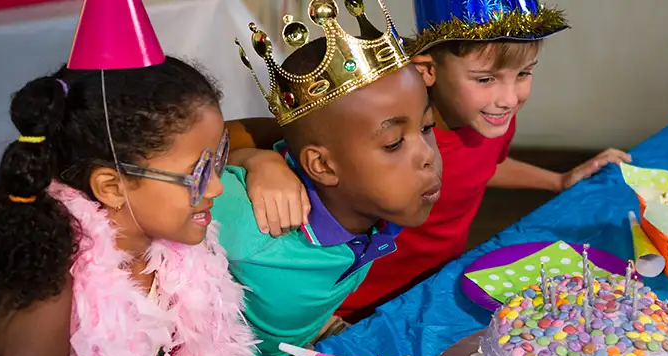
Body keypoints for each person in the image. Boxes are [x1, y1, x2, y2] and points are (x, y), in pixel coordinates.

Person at [219, 0, 633, 321]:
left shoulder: (493, 120)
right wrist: (258, 160)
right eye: (486, 79)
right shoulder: (373, 131)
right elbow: (263, 137)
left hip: (437, 277)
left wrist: (557, 182)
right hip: (353, 300)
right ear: (427, 70)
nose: (509, 98)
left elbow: (482, 170)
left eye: (524, 74)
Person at [0, 56, 257, 356]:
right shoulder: (33, 295)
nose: (215, 188)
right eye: (197, 174)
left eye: (218, 158)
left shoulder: (183, 244)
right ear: (111, 187)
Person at [215, 2, 441, 356]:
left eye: (426, 128)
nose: (428, 155)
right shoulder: (250, 223)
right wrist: (247, 159)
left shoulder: (375, 206)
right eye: (394, 143)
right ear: (321, 165)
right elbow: (146, 177)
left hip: (309, 337)